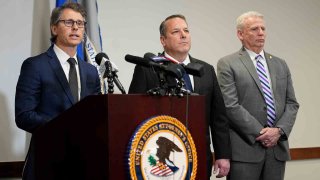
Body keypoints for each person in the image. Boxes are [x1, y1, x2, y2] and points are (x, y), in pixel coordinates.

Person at [129, 14, 231, 179]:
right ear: (163, 40)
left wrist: (222, 154)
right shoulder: (148, 69)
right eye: (176, 31)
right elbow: (134, 115)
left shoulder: (205, 70)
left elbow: (218, 117)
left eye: (186, 30)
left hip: (199, 154)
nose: (183, 35)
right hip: (160, 159)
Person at [15, 2, 101, 179]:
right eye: (68, 22)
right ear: (54, 28)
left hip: (83, 162)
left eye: (80, 23)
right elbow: (24, 115)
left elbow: (95, 115)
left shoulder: (91, 71)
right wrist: (64, 126)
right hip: (47, 161)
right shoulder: (35, 66)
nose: (76, 27)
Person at [217, 11, 299, 180]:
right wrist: (262, 132)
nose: (261, 32)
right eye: (254, 29)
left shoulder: (280, 64)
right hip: (245, 151)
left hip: (276, 150)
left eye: (263, 28)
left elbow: (292, 103)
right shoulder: (228, 63)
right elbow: (230, 105)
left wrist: (279, 131)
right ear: (240, 34)